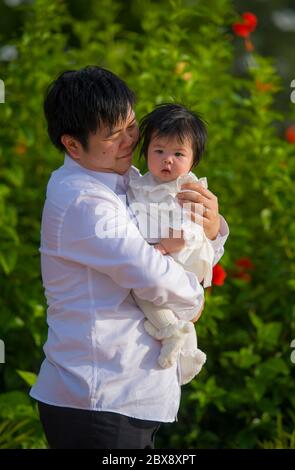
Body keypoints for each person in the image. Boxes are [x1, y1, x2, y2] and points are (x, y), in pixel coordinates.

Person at [29, 66, 229, 449]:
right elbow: (150, 271)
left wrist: (211, 228)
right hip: (100, 399)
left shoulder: (128, 178)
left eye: (132, 126)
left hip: (124, 396)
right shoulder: (83, 200)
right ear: (73, 145)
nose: (129, 141)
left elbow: (183, 243)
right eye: (113, 134)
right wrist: (194, 298)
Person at [127, 103, 215, 385]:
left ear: (193, 160)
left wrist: (164, 246)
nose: (167, 160)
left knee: (145, 291)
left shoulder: (187, 188)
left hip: (181, 254)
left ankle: (170, 332)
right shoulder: (141, 183)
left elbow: (189, 229)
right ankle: (188, 351)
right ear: (146, 151)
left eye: (178, 154)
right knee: (165, 303)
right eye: (159, 151)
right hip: (164, 253)